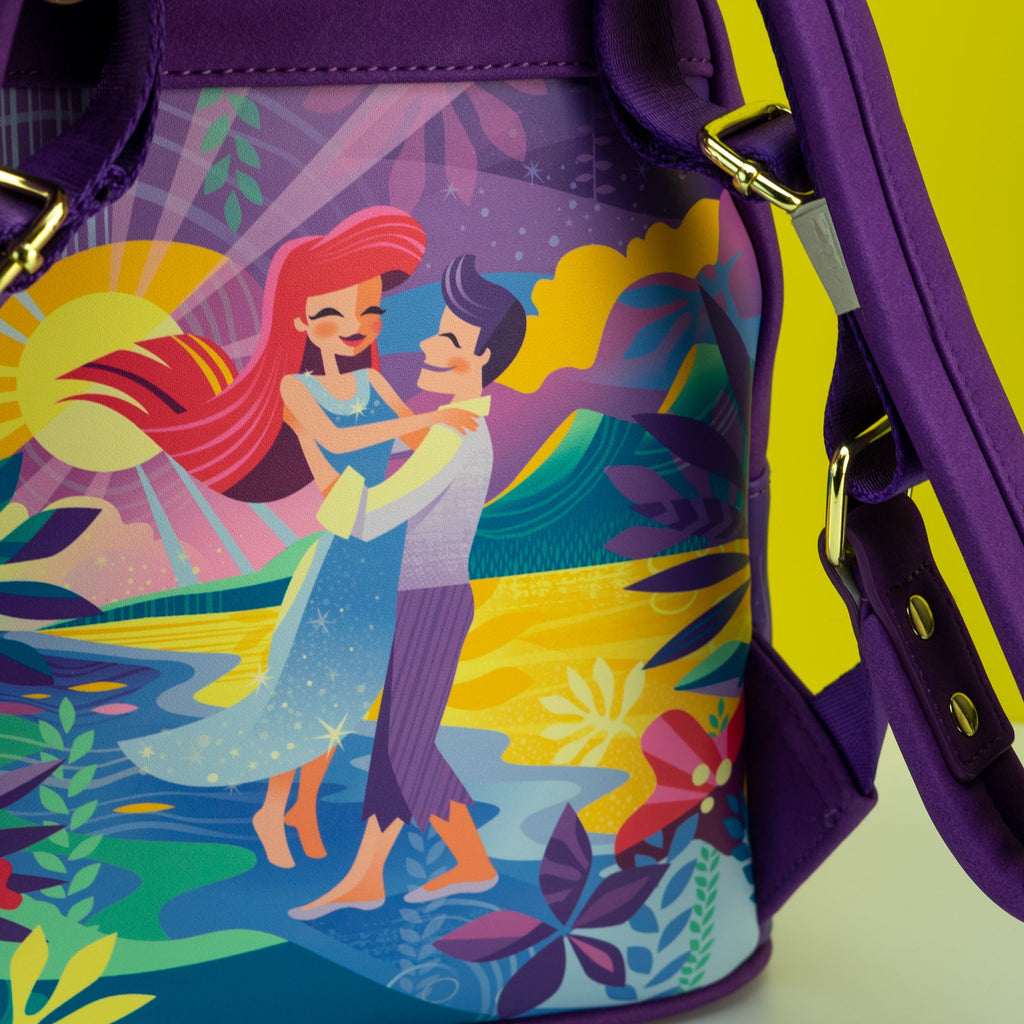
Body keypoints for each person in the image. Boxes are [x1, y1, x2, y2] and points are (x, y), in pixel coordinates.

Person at [70, 208, 476, 868]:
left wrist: (451, 435)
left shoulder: (374, 381)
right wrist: (428, 420)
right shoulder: (297, 388)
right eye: (332, 314)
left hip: (384, 557)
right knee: (304, 695)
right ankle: (273, 808)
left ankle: (302, 809)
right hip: (341, 557)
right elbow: (342, 438)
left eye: (368, 312)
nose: (354, 326)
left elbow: (410, 445)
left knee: (343, 698)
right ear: (299, 322)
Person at [290, 254, 527, 918]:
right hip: (423, 598)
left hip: (431, 603)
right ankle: (376, 875)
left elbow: (369, 516)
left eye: (447, 338)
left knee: (405, 745)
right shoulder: (453, 428)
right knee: (398, 745)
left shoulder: (452, 435)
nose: (427, 344)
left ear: (480, 358)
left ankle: (461, 863)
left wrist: (314, 453)